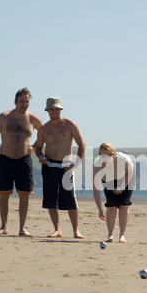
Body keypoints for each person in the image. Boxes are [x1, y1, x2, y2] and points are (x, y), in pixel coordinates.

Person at [0, 88, 43, 236]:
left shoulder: (33, 119)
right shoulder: (4, 117)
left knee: (24, 195)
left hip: (24, 160)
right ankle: (3, 226)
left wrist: (36, 146)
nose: (24, 104)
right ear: (15, 101)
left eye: (27, 101)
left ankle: (22, 228)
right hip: (5, 159)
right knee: (4, 194)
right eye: (21, 101)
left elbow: (45, 133)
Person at [35, 97, 86, 238]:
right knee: (51, 199)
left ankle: (76, 230)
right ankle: (57, 229)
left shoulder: (70, 125)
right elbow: (38, 148)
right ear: (47, 111)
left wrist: (77, 162)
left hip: (66, 166)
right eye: (51, 109)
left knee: (70, 199)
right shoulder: (43, 129)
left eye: (56, 108)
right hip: (49, 166)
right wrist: (40, 156)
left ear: (60, 109)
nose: (54, 111)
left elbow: (82, 144)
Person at [93, 142, 135, 243]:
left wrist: (122, 187)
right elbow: (96, 188)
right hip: (108, 179)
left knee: (123, 205)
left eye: (109, 155)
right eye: (103, 155)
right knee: (111, 206)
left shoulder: (123, 159)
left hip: (126, 177)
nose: (106, 158)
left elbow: (130, 172)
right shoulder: (97, 165)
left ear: (114, 154)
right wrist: (99, 209)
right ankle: (110, 235)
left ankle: (122, 235)